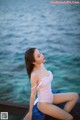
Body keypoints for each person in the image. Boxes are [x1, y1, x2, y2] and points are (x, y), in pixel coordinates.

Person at [23, 48, 79, 120]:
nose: (42, 55)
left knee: (75, 96)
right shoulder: (34, 74)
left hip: (51, 96)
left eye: (40, 53)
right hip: (43, 104)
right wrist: (30, 112)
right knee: (70, 117)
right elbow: (32, 95)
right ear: (34, 62)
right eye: (39, 56)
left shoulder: (41, 64)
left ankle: (61, 116)